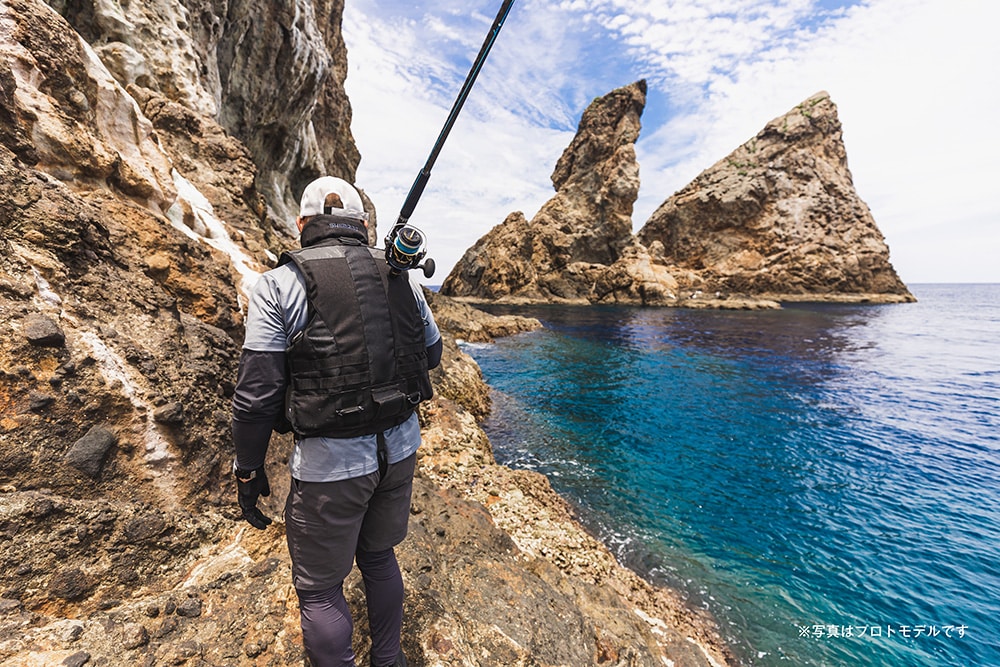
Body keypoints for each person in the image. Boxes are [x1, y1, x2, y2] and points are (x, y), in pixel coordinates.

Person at [231, 176, 442, 667]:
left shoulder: (278, 284)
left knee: (321, 590)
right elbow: (430, 354)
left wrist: (248, 468)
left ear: (302, 224)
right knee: (379, 557)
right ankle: (388, 661)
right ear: (363, 225)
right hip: (401, 449)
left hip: (331, 467)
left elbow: (256, 394)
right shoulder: (400, 275)